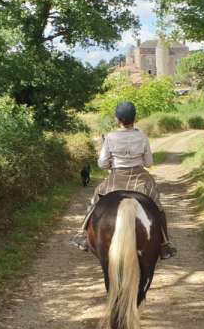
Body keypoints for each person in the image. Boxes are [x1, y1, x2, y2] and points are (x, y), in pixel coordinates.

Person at [71, 101, 177, 259]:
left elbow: (102, 163)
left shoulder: (110, 137)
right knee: (157, 206)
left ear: (117, 119)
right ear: (135, 118)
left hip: (116, 177)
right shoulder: (142, 136)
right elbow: (148, 163)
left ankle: (83, 234)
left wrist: (111, 164)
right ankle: (164, 243)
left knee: (95, 200)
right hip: (140, 178)